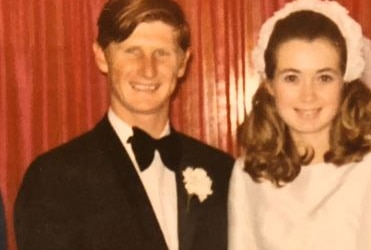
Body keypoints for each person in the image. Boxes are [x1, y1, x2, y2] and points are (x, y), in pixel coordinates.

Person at [14, 0, 233, 249]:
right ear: (101, 57)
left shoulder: (223, 171)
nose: (148, 70)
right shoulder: (55, 179)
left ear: (183, 63)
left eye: (162, 53)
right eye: (132, 51)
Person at [228, 0, 371, 249]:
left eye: (324, 78)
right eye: (292, 78)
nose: (308, 95)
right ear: (270, 85)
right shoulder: (249, 173)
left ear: (344, 84)